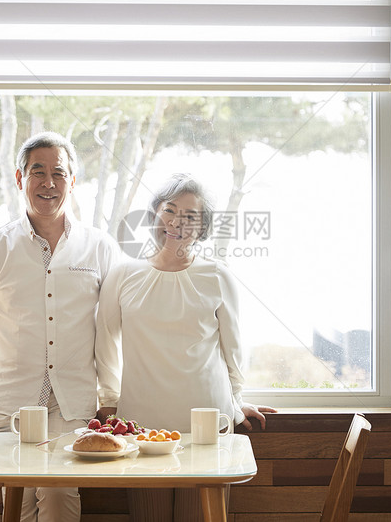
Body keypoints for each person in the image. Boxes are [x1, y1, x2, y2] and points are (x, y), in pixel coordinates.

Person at [96, 172, 276, 521]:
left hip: (207, 421)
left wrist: (237, 399)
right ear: (154, 216)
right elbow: (105, 344)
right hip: (141, 424)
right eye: (170, 210)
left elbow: (233, 348)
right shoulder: (122, 275)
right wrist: (109, 402)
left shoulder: (217, 275)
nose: (177, 222)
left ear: (202, 226)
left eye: (191, 216)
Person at [0, 131, 119, 522]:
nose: (49, 183)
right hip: (10, 400)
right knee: (16, 502)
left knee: (60, 494)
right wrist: (10, 352)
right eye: (38, 172)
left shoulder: (99, 247)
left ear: (73, 181)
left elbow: (113, 326)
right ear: (20, 179)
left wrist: (111, 392)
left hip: (73, 404)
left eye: (59, 173)